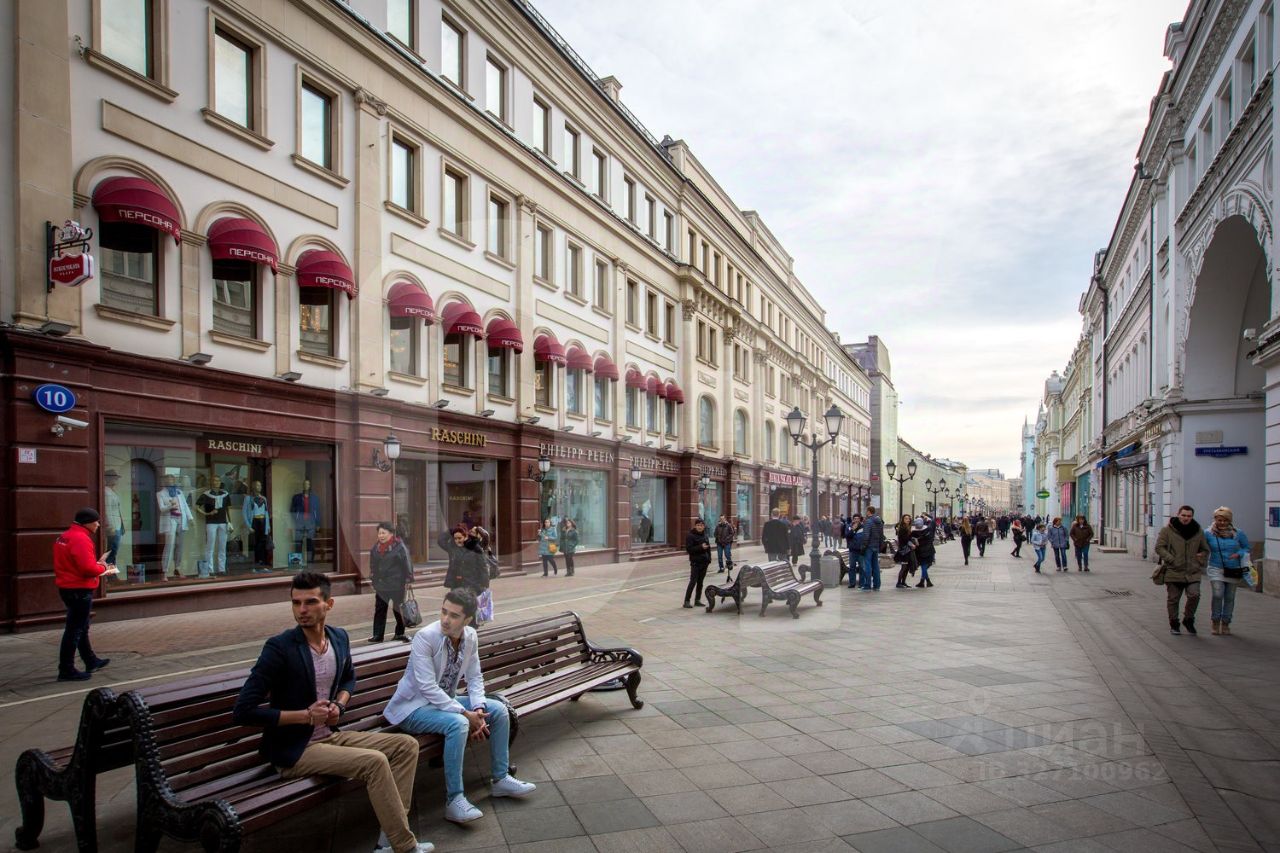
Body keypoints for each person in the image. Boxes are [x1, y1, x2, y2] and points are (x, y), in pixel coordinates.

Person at [231, 573, 434, 853]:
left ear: (329, 604)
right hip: (295, 749)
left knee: (406, 746)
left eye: (311, 602)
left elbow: (349, 677)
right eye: (296, 603)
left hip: (329, 736)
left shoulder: (338, 638)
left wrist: (339, 704)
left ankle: (389, 837)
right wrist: (305, 716)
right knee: (374, 762)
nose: (302, 610)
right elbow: (243, 711)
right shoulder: (279, 648)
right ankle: (405, 846)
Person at [385, 589, 535, 824]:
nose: (445, 619)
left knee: (499, 710)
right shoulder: (426, 637)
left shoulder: (470, 637)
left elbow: (474, 677)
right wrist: (465, 713)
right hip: (413, 708)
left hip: (446, 702)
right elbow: (427, 687)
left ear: (467, 620)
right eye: (444, 611)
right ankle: (454, 800)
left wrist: (478, 709)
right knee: (458, 723)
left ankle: (500, 779)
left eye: (454, 615)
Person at [53, 508, 118, 681]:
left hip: (67, 587)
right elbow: (88, 569)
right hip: (79, 589)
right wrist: (103, 567)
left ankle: (90, 660)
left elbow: (73, 564)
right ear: (87, 522)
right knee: (75, 629)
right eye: (96, 522)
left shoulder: (65, 536)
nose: (98, 525)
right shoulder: (81, 539)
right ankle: (66, 669)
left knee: (80, 627)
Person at [1155, 506, 1209, 635]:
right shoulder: (1167, 530)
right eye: (1183, 515)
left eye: (1189, 516)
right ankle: (1174, 623)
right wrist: (1171, 559)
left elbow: (1205, 549)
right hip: (1174, 570)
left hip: (1193, 571)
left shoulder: (1198, 531)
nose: (1186, 518)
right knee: (1173, 599)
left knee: (1194, 595)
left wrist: (1200, 557)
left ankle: (1188, 619)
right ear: (1178, 515)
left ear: (1192, 517)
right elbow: (1159, 547)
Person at [1204, 506, 1249, 636]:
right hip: (1215, 567)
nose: (1222, 523)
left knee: (1230, 597)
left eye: (1225, 520)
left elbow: (1246, 547)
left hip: (1233, 569)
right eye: (1219, 520)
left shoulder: (1238, 533)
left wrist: (1238, 554)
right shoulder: (1208, 533)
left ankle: (1226, 623)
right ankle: (1215, 621)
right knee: (1218, 594)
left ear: (1230, 520)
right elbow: (1201, 546)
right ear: (1215, 519)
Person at [369, 522, 413, 644]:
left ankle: (399, 633)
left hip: (396, 584)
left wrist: (408, 579)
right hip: (381, 584)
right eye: (379, 533)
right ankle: (378, 635)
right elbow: (373, 565)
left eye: (383, 533)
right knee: (380, 610)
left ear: (391, 534)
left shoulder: (399, 547)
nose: (381, 536)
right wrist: (373, 577)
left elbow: (407, 563)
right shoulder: (376, 548)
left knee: (398, 609)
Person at [156, 474, 193, 577]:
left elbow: (185, 506)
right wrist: (171, 506)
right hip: (170, 519)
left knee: (179, 545)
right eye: (168, 479)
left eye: (172, 479)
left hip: (181, 519)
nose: (170, 481)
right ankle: (165, 571)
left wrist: (190, 518)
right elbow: (162, 509)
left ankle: (177, 568)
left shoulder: (179, 492)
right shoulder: (160, 493)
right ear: (165, 481)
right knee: (170, 544)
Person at [195, 475, 232, 577]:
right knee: (210, 546)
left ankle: (221, 569)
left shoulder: (225, 494)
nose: (216, 482)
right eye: (214, 480)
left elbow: (228, 509)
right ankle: (210, 569)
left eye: (218, 480)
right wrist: (207, 513)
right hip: (211, 523)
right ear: (211, 482)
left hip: (223, 522)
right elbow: (197, 507)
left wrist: (230, 522)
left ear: (220, 482)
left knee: (222, 547)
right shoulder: (206, 495)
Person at [438, 526, 490, 596]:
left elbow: (483, 567)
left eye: (459, 538)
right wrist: (451, 530)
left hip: (472, 584)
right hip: (456, 584)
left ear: (466, 537)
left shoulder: (475, 548)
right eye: (455, 538)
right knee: (457, 601)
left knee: (469, 602)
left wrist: (484, 585)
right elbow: (441, 541)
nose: (457, 541)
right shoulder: (452, 548)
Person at [290, 480, 321, 565]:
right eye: (304, 484)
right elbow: (292, 510)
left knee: (310, 543)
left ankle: (310, 561)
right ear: (302, 486)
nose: (306, 485)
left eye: (307, 484)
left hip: (310, 523)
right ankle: (297, 563)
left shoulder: (314, 498)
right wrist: (296, 519)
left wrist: (318, 523)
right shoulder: (296, 497)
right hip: (300, 523)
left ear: (310, 486)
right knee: (298, 542)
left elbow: (317, 511)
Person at [683, 518, 713, 608]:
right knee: (693, 582)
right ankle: (686, 601)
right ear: (695, 526)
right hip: (695, 562)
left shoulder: (705, 535)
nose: (700, 527)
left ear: (704, 526)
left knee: (700, 582)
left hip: (704, 562)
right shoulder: (690, 536)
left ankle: (697, 600)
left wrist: (709, 559)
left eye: (701, 525)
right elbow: (689, 549)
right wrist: (700, 547)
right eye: (698, 525)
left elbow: (708, 548)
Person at [243, 480, 272, 571]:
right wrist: (248, 526)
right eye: (257, 485)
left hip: (263, 521)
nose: (259, 487)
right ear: (253, 486)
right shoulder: (248, 498)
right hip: (254, 521)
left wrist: (268, 525)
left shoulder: (264, 498)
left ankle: (262, 562)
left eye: (260, 485)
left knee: (263, 542)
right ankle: (254, 563)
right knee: (254, 543)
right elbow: (244, 512)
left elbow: (266, 512)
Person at [102, 470, 125, 565]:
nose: (116, 480)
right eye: (114, 478)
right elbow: (107, 510)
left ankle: (111, 570)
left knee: (114, 549)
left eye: (116, 478)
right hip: (113, 526)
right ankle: (108, 570)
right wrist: (110, 526)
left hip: (117, 524)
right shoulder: (106, 492)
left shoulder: (112, 491)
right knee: (112, 549)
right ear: (108, 479)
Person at [893, 515, 918, 588]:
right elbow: (905, 539)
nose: (908, 520)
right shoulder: (903, 528)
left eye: (909, 519)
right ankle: (898, 583)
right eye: (906, 518)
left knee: (906, 567)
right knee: (904, 567)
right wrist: (912, 545)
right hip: (904, 550)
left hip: (907, 550)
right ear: (903, 520)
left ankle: (903, 582)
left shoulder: (907, 527)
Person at [863, 506, 884, 590]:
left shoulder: (868, 521)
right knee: (876, 566)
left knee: (867, 565)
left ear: (868, 511)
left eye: (866, 511)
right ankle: (877, 585)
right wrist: (880, 545)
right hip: (876, 546)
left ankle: (867, 585)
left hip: (869, 546)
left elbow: (866, 535)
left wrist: (864, 546)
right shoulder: (879, 521)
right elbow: (881, 535)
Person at [911, 517, 936, 588]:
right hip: (929, 550)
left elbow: (913, 541)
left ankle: (924, 581)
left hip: (920, 552)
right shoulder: (928, 530)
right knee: (924, 566)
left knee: (923, 566)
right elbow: (932, 523)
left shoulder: (914, 533)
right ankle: (926, 581)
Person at [845, 514, 867, 589]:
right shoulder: (849, 526)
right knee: (852, 567)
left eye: (858, 518)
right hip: (852, 550)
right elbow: (847, 536)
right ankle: (852, 583)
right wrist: (852, 530)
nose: (856, 520)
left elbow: (865, 537)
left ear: (860, 519)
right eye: (855, 518)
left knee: (862, 567)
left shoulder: (863, 527)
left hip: (861, 550)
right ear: (853, 519)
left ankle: (861, 583)